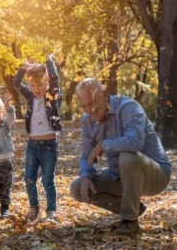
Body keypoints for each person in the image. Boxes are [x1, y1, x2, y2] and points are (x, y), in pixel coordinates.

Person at [70, 78, 172, 234]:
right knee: (77, 188)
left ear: (104, 94)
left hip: (155, 174)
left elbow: (135, 142)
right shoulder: (88, 120)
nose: (89, 110)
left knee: (127, 157)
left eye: (91, 103)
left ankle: (130, 222)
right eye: (84, 106)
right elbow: (87, 155)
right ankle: (133, 207)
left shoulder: (128, 107)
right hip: (119, 175)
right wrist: (85, 176)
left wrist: (103, 145)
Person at [12, 54, 63, 222]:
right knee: (29, 179)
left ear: (46, 82)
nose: (37, 89)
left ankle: (51, 212)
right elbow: (15, 83)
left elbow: (55, 79)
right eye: (33, 85)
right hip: (33, 145)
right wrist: (23, 68)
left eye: (40, 85)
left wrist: (49, 62)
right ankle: (34, 208)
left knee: (48, 180)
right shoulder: (31, 98)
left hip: (49, 145)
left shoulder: (52, 97)